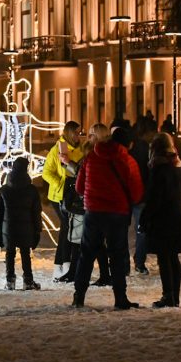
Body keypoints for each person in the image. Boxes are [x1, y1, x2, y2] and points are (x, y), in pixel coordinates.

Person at [71, 122, 143, 310]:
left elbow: (79, 187)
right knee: (117, 255)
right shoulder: (127, 161)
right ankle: (120, 298)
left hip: (93, 213)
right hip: (117, 214)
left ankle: (79, 296)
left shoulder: (90, 157)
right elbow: (136, 194)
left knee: (86, 254)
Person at [140, 133, 181, 308]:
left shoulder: (159, 169)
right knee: (173, 257)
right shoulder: (178, 166)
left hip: (164, 218)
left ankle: (168, 295)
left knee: (164, 258)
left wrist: (145, 217)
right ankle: (174, 296)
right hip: (178, 216)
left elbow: (155, 198)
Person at [42, 121, 83, 281]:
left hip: (74, 194)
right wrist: (59, 183)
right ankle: (63, 264)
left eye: (80, 132)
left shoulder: (81, 149)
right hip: (59, 195)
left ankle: (62, 265)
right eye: (77, 132)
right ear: (69, 132)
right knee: (67, 228)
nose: (79, 135)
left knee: (69, 229)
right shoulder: (57, 149)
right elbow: (46, 172)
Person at [0, 156, 42, 291]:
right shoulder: (32, 190)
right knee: (25, 253)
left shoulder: (4, 190)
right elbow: (36, 212)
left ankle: (10, 281)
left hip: (8, 228)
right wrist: (37, 230)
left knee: (9, 253)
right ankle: (28, 280)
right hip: (27, 228)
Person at [74, 123, 112, 287]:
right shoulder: (113, 155)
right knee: (101, 244)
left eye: (92, 135)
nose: (88, 137)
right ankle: (109, 278)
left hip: (95, 205)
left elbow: (80, 184)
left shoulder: (90, 156)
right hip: (110, 205)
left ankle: (80, 290)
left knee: (90, 246)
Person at [130, 119, 152, 274]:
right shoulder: (147, 149)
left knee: (120, 231)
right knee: (141, 230)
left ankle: (123, 262)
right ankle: (139, 262)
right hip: (141, 195)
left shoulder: (129, 147)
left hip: (126, 194)